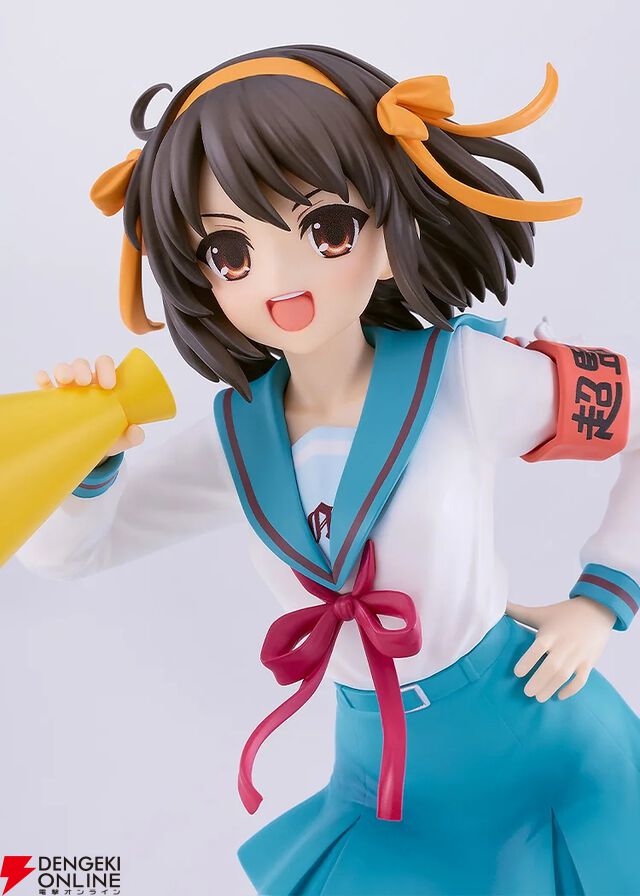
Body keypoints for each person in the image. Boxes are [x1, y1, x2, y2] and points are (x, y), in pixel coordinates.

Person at [15, 45, 640, 894]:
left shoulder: (463, 377)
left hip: (543, 739)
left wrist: (604, 598)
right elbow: (71, 555)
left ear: (388, 233)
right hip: (378, 774)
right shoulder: (236, 437)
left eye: (325, 229)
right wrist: (86, 464)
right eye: (229, 251)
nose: (280, 279)